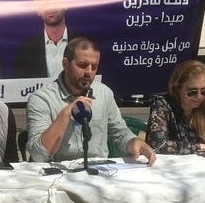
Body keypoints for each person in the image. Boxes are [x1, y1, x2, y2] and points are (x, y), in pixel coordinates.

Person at [26, 36, 156, 164]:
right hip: (60, 173)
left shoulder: (104, 93)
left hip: (98, 170)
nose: (89, 72)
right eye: (82, 65)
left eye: (94, 67)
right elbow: (38, 155)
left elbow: (121, 133)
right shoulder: (42, 99)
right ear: (65, 64)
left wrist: (135, 142)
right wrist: (66, 113)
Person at [13, 0, 84, 79]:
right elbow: (20, 85)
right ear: (37, 11)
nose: (48, 7)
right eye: (41, 2)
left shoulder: (85, 43)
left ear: (65, 4)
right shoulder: (25, 50)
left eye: (52, 0)